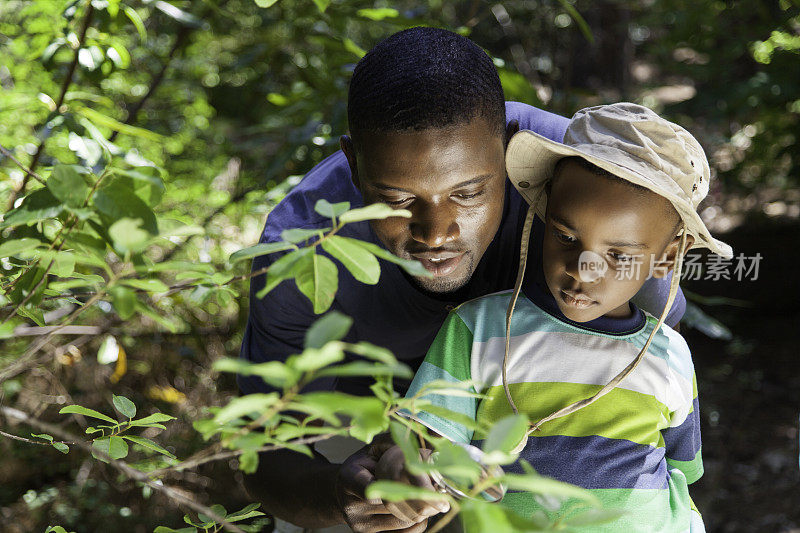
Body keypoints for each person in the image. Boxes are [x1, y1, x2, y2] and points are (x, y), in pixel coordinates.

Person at [239, 27, 687, 532]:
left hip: (534, 417)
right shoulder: (303, 253)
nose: (436, 234)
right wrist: (345, 495)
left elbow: (646, 362)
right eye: (399, 200)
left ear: (510, 152)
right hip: (366, 425)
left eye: (469, 193)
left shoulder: (586, 182)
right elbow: (264, 454)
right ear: (354, 165)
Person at [388, 103, 733, 531]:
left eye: (618, 255)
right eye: (566, 236)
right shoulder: (478, 331)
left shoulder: (669, 354)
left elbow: (682, 468)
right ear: (542, 214)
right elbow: (425, 445)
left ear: (665, 260)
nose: (581, 268)